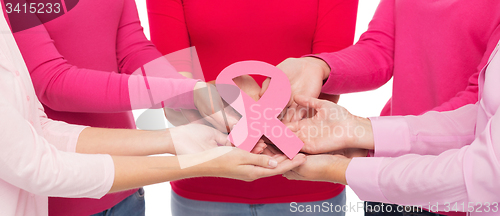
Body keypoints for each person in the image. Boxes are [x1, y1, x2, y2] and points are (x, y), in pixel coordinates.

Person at [0, 7, 307, 216]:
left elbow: (132, 48)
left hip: (129, 182)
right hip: (61, 192)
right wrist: (188, 92)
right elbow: (54, 82)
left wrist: (198, 96)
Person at [269, 0, 500, 215]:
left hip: (449, 182)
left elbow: (479, 105)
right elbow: (380, 48)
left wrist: (357, 151)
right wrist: (319, 67)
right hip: (380, 166)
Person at [146, 0, 358, 214]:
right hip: (204, 182)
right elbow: (171, 94)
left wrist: (248, 117)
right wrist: (224, 102)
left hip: (309, 184)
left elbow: (326, 88)